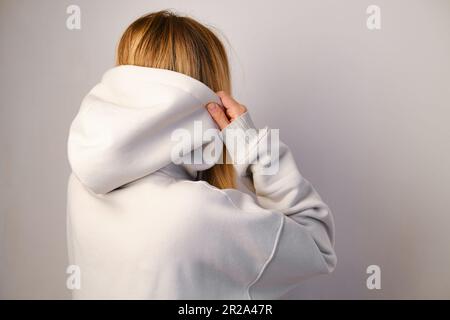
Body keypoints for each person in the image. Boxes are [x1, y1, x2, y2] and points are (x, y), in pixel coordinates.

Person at [66, 10, 336, 299]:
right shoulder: (197, 212)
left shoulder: (81, 187)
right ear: (211, 104)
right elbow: (317, 246)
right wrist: (252, 144)